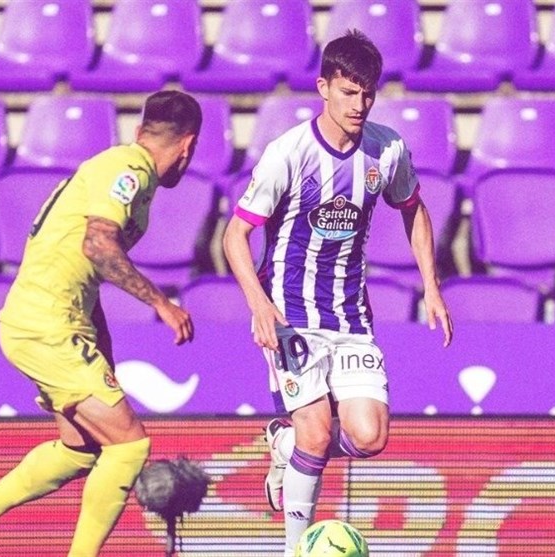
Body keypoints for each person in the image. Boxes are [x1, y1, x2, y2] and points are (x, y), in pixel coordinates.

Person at [222, 30, 453, 556]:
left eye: (367, 94)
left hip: (351, 319)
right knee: (316, 433)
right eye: (349, 92)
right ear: (323, 87)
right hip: (290, 316)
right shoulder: (289, 153)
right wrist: (259, 305)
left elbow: (414, 209)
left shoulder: (386, 149)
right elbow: (235, 235)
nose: (359, 105)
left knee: (370, 437)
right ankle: (294, 548)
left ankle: (283, 443)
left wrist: (432, 286)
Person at [0, 90, 202, 557]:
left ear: (141, 130)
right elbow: (98, 247)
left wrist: (103, 352)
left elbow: (86, 274)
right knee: (128, 448)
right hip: (49, 324)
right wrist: (162, 303)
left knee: (80, 449)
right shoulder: (127, 169)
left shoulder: (123, 171)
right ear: (189, 146)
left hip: (53, 321)